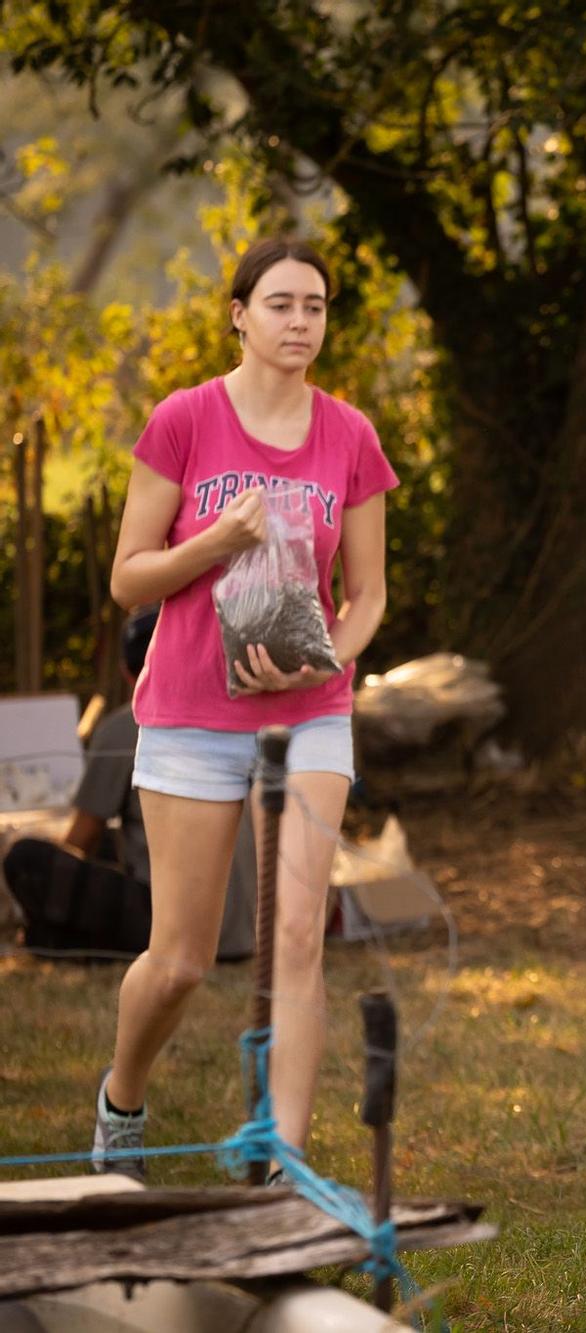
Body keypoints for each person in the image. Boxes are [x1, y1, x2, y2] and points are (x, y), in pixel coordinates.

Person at [92, 236, 398, 1183]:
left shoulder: (348, 434)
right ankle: (122, 1100)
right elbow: (128, 580)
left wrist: (319, 661)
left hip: (307, 715)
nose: (300, 322)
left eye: (314, 306)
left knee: (299, 937)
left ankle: (280, 1162)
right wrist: (216, 538)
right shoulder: (185, 420)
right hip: (188, 714)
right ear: (239, 313)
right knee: (181, 959)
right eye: (280, 304)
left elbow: (370, 596)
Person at [2, 607, 256, 963]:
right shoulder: (235, 715)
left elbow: (81, 838)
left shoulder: (128, 724)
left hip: (178, 927)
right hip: (244, 928)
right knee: (113, 846)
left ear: (125, 671)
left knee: (25, 856)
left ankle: (50, 938)